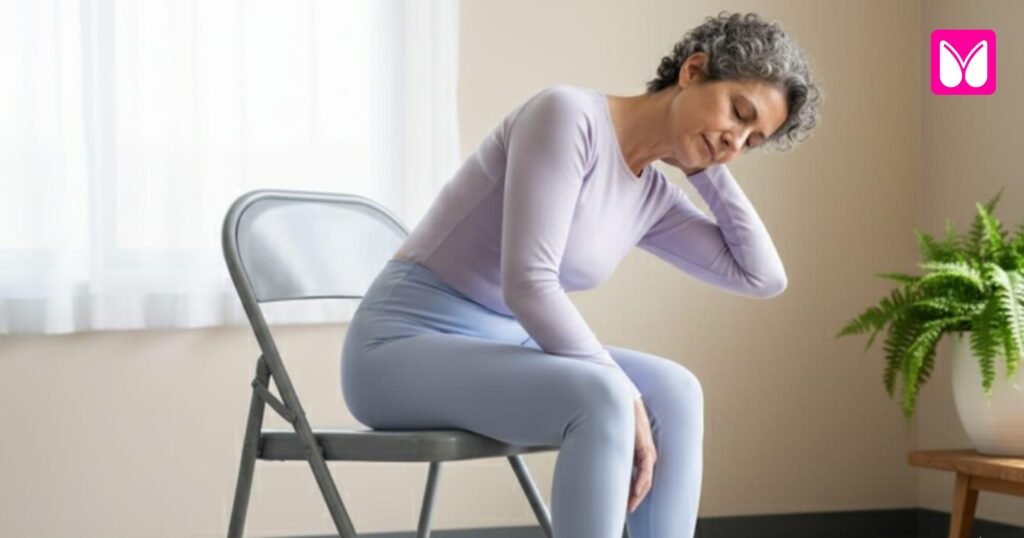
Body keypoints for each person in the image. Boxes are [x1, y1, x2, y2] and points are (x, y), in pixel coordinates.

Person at [341, 10, 822, 538]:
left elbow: (762, 277)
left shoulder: (651, 196)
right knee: (606, 395)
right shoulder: (567, 115)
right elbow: (528, 283)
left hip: (504, 348)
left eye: (752, 141)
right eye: (738, 111)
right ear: (693, 71)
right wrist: (623, 390)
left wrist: (705, 168)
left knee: (676, 391)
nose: (736, 141)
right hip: (400, 348)